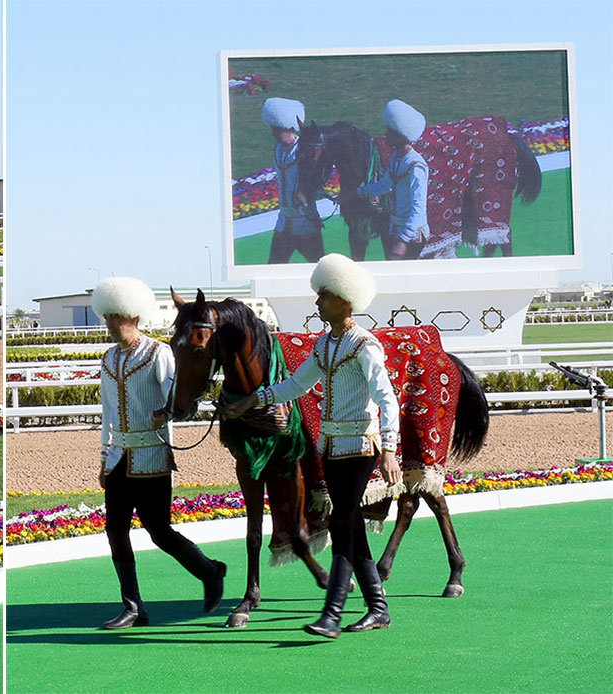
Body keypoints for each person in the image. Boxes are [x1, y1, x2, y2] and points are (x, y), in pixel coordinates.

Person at [223, 253, 401, 639]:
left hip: (361, 446)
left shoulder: (364, 345)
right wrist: (253, 400)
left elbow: (387, 398)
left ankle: (332, 615)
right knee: (349, 523)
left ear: (344, 300)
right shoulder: (326, 344)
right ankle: (378, 608)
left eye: (324, 295)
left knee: (340, 523)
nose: (317, 301)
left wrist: (389, 448)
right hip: (332, 447)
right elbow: (295, 386)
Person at [93, 277, 227, 629]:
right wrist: (104, 456)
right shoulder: (108, 360)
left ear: (134, 316)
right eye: (107, 317)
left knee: (159, 531)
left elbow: (177, 398)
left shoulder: (158, 353)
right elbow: (107, 412)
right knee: (115, 530)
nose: (109, 324)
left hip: (152, 456)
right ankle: (133, 606)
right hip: (120, 456)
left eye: (115, 317)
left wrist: (165, 414)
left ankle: (210, 571)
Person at [357, 99, 429, 260]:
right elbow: (386, 185)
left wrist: (403, 241)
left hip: (412, 237)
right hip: (396, 230)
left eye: (390, 132)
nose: (386, 135)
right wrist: (358, 193)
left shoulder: (416, 167)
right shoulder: (397, 158)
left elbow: (419, 209)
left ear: (401, 136)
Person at [262, 97, 324, 264]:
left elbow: (316, 181)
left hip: (305, 223)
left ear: (290, 128)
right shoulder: (278, 150)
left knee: (318, 269)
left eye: (276, 130)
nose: (272, 133)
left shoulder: (306, 152)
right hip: (284, 223)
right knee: (273, 268)